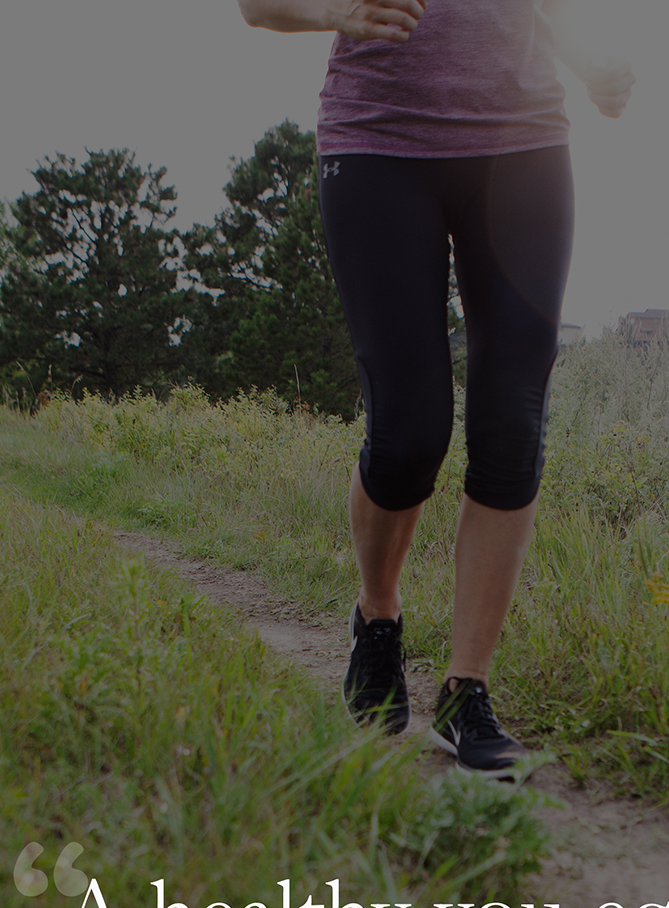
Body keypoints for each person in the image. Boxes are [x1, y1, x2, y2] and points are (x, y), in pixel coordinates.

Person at [237, 0, 633, 777]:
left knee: (513, 419)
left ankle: (466, 691)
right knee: (409, 429)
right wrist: (332, 10)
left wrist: (588, 64)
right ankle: (377, 616)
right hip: (381, 143)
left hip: (525, 146)